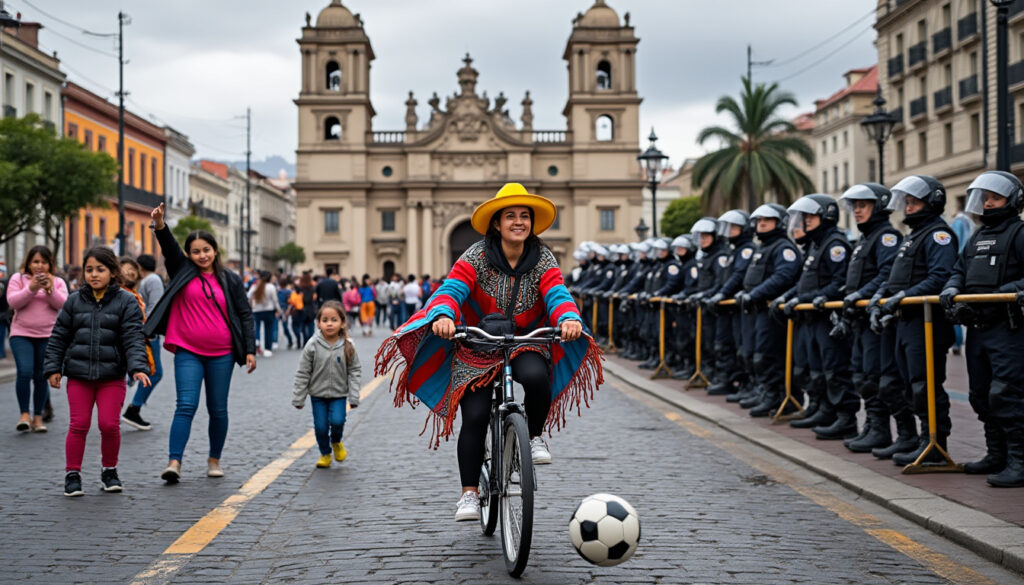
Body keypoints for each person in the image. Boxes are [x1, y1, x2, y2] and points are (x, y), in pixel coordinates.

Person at [374, 182, 600, 522]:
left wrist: (568, 317)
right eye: (510, 216)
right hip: (478, 341)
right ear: (497, 223)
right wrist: (445, 314)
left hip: (526, 339)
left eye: (525, 216)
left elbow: (557, 292)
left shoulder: (543, 258)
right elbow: (452, 288)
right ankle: (469, 493)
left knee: (536, 377)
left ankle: (535, 436)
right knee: (476, 415)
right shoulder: (475, 256)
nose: (519, 222)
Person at [144, 203, 257, 483]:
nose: (202, 255)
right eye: (195, 251)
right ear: (188, 254)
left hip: (223, 353)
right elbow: (168, 246)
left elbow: (244, 314)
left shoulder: (229, 279)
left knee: (218, 408)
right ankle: (174, 462)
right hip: (187, 352)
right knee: (185, 405)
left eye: (206, 250)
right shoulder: (181, 269)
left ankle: (214, 460)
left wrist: (251, 350)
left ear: (215, 250)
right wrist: (160, 224)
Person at [43, 247, 150, 496]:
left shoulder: (126, 301)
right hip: (79, 376)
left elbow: (133, 337)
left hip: (112, 376)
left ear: (113, 272)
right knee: (79, 424)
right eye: (89, 269)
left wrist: (137, 367)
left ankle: (109, 471)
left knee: (109, 425)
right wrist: (53, 368)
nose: (93, 274)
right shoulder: (73, 300)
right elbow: (59, 337)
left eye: (100, 269)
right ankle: (72, 474)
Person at [868, 175, 957, 465]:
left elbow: (940, 277)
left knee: (924, 385)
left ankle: (934, 443)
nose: (908, 207)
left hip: (926, 321)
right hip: (906, 322)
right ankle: (916, 439)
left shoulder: (937, 235)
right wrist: (882, 296)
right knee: (907, 385)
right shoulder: (913, 236)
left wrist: (903, 295)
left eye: (915, 202)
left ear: (933, 203)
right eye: (907, 202)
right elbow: (893, 277)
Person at [942, 171, 1024, 487]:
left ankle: (1019, 460)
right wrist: (951, 288)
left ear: (1012, 201)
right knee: (980, 395)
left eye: (995, 198)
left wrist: (1007, 290)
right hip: (978, 327)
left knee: (1006, 394)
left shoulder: (1019, 233)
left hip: (1008, 328)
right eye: (985, 198)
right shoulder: (976, 237)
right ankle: (996, 454)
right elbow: (958, 271)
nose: (988, 203)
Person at [832, 183, 903, 454]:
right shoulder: (865, 239)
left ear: (879, 206)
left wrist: (862, 293)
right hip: (859, 319)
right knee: (861, 376)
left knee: (875, 377)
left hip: (874, 320)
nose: (857, 211)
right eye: (855, 206)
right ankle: (872, 427)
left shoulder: (886, 237)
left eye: (863, 205)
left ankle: (881, 430)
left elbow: (887, 274)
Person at [782, 194, 856, 432]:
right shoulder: (816, 244)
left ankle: (845, 419)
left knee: (834, 370)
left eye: (811, 216)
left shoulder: (834, 244)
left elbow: (839, 282)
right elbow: (806, 281)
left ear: (827, 215)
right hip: (810, 317)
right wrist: (790, 296)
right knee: (814, 369)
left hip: (827, 318)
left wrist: (805, 298)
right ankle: (821, 408)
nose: (806, 221)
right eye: (804, 217)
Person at [734, 204, 803, 417]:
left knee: (768, 356)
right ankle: (767, 393)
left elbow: (783, 275)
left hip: (771, 311)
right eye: (758, 220)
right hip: (757, 310)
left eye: (767, 220)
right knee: (757, 355)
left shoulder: (783, 248)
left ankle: (781, 397)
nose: (761, 224)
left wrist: (756, 293)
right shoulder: (763, 247)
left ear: (779, 223)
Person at [292, 300, 362, 468]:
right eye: (325, 320)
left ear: (342, 323)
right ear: (318, 323)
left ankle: (336, 441)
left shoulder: (348, 345)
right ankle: (325, 453)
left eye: (333, 320)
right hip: (317, 395)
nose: (329, 324)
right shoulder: (312, 345)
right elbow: (303, 372)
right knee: (321, 427)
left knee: (338, 421)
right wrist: (299, 398)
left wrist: (354, 396)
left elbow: (355, 371)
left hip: (339, 394)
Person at [7, 246, 68, 432]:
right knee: (24, 372)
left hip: (48, 336)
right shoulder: (18, 279)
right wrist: (31, 288)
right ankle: (24, 414)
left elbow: (64, 305)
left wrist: (50, 290)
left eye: (43, 261)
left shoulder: (57, 281)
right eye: (35, 261)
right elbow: (13, 302)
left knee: (42, 375)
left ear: (50, 264)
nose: (39, 266)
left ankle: (38, 417)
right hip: (21, 334)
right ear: (28, 263)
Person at [120, 254, 165, 430]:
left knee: (147, 372)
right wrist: (150, 330)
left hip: (145, 332)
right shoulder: (153, 280)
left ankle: (133, 407)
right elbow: (156, 306)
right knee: (155, 373)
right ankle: (133, 408)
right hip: (148, 333)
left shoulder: (145, 282)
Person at [248, 271, 282, 357]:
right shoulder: (271, 287)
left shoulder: (255, 286)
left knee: (256, 328)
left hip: (256, 310)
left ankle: (257, 341)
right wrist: (278, 310)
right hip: (269, 310)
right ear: (270, 278)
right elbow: (275, 300)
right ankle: (267, 349)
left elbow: (248, 295)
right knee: (268, 330)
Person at [277, 277, 296, 349]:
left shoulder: (279, 292)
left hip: (282, 310)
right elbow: (291, 302)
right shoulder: (289, 292)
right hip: (284, 310)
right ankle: (290, 340)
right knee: (285, 326)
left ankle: (290, 340)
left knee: (283, 327)